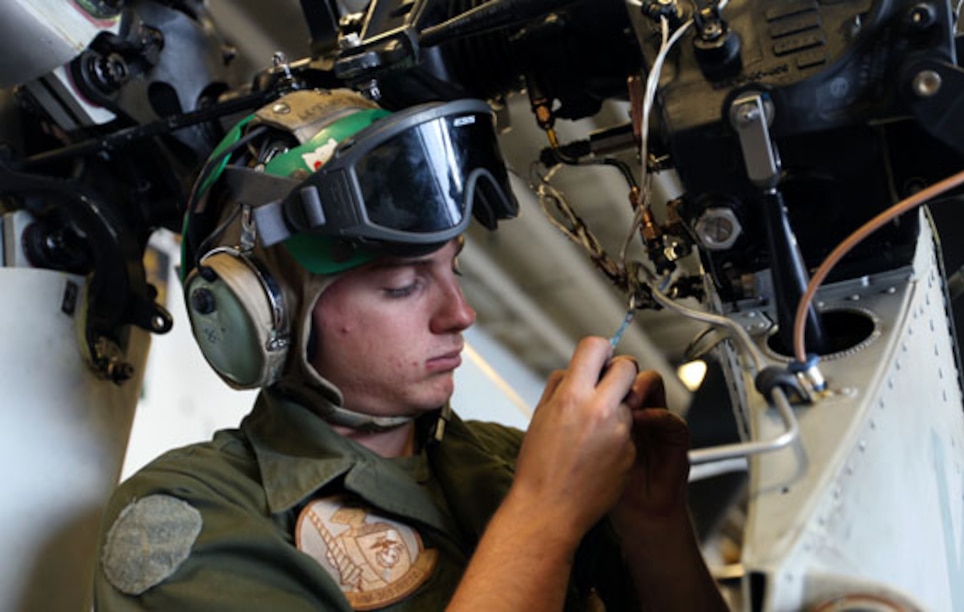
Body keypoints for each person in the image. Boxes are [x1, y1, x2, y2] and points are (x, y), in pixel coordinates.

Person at [94, 88, 726, 611]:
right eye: (401, 286)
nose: (460, 314)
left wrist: (654, 525)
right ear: (264, 311)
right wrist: (547, 512)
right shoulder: (192, 517)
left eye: (455, 268)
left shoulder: (509, 459)